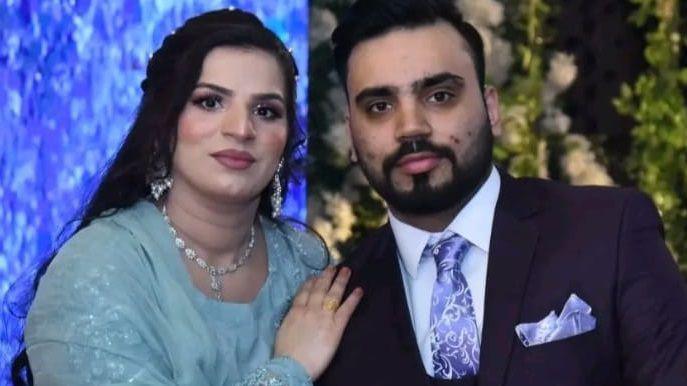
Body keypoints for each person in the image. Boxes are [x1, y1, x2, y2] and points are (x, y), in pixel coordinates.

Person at [316, 1, 687, 385]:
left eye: (439, 96)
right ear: (352, 138)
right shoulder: (335, 308)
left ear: (491, 109)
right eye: (379, 106)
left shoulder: (609, 234)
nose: (411, 127)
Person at [14, 8, 362, 385]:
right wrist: (290, 369)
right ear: (163, 123)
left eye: (266, 110)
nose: (242, 129)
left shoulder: (305, 265)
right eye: (210, 102)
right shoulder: (94, 272)